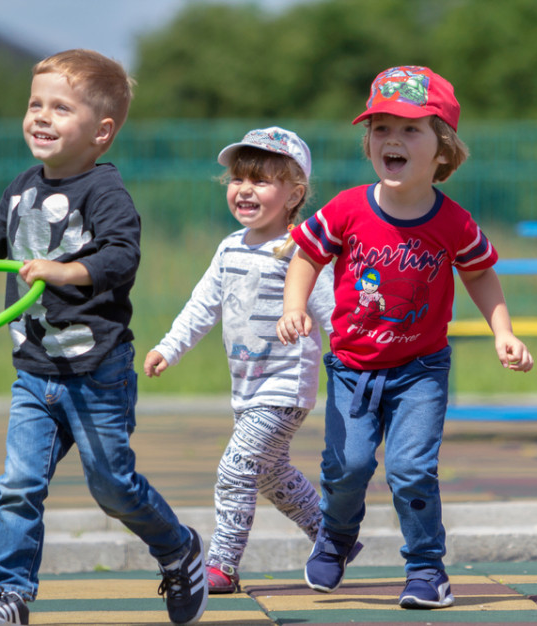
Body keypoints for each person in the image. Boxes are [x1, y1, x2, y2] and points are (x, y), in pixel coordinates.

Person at [0, 50, 206, 626]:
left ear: (101, 132)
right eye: (35, 103)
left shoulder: (105, 193)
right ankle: (8, 595)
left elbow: (120, 256)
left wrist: (62, 270)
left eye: (61, 107)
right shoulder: (21, 188)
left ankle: (178, 546)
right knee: (17, 485)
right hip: (35, 372)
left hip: (97, 371)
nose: (41, 116)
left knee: (111, 487)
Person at [276, 65, 533, 609]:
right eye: (380, 128)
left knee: (411, 469)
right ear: (368, 142)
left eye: (410, 129)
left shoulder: (454, 223)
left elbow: (481, 273)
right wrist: (294, 306)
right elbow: (306, 255)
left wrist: (503, 331)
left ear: (443, 150)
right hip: (352, 368)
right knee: (347, 469)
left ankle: (426, 570)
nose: (391, 139)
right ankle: (338, 536)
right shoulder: (347, 208)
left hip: (420, 369)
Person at [144, 127, 340, 594]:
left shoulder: (304, 249)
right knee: (271, 474)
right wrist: (168, 347)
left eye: (262, 181)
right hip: (245, 386)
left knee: (236, 469)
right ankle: (333, 538)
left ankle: (223, 565)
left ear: (294, 195)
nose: (245, 190)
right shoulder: (230, 247)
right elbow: (202, 305)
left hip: (284, 386)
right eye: (237, 179)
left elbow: (334, 311)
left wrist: (357, 364)